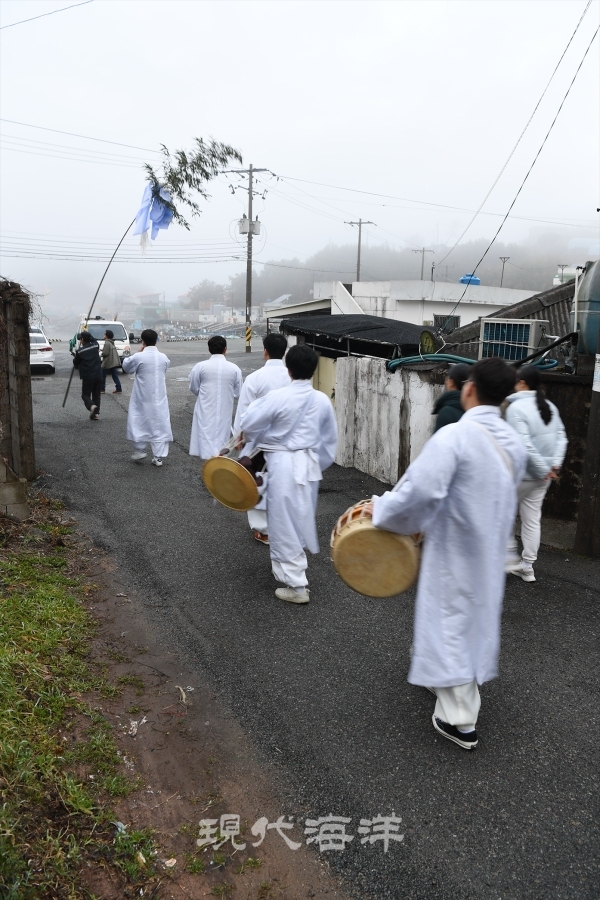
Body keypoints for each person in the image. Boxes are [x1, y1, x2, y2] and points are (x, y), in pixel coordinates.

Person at [370, 358, 527, 750]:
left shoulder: (455, 437)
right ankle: (446, 683)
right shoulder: (513, 443)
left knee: (450, 621)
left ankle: (460, 722)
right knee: (471, 620)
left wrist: (384, 511)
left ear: (469, 388)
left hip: (455, 547)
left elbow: (420, 492)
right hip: (489, 548)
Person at [240, 344, 338, 604]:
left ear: (288, 368)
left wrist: (260, 438)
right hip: (308, 465)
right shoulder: (321, 400)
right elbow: (329, 442)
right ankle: (288, 574)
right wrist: (318, 464)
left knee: (283, 523)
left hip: (282, 464)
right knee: (298, 517)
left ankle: (296, 585)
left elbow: (248, 423)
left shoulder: (278, 397)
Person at [504, 364, 567, 583]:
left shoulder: (515, 409)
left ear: (522, 383)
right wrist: (553, 467)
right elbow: (562, 438)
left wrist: (544, 469)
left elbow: (524, 446)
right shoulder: (549, 406)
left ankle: (509, 557)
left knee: (504, 513)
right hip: (543, 477)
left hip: (522, 475)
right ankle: (527, 566)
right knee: (532, 520)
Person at [233, 333, 291, 544]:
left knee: (257, 482)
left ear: (265, 351)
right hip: (287, 440)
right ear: (284, 351)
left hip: (259, 441)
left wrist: (239, 435)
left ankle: (263, 530)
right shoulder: (293, 376)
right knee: (282, 482)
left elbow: (244, 412)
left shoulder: (255, 378)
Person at [121, 329, 172, 467]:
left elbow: (126, 367)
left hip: (142, 396)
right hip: (159, 396)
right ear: (156, 340)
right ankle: (158, 456)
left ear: (142, 341)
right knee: (159, 423)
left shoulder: (139, 356)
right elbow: (165, 368)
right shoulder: (163, 357)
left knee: (139, 420)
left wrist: (134, 352)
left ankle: (139, 450)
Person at [189, 336, 243, 459]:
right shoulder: (235, 369)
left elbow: (193, 386)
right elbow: (237, 391)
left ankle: (209, 464)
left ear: (209, 349)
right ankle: (218, 465)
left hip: (205, 407)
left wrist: (204, 394)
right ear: (225, 349)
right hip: (225, 408)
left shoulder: (200, 366)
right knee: (222, 437)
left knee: (205, 434)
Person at [72, 330, 103, 420]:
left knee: (85, 395)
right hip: (98, 374)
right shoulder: (95, 345)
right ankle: (95, 414)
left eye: (81, 339)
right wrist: (87, 334)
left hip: (88, 376)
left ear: (82, 339)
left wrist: (75, 358)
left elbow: (76, 363)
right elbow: (93, 339)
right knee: (96, 395)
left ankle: (92, 406)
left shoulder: (80, 351)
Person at [432, 363, 471, 431]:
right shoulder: (474, 409)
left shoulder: (447, 413)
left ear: (451, 382)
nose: (445, 381)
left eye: (447, 378)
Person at [101, 329, 122, 394]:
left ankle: (102, 389)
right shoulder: (111, 342)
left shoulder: (107, 343)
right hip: (112, 362)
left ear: (107, 336)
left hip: (107, 362)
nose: (103, 335)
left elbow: (105, 353)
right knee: (114, 375)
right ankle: (118, 388)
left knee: (102, 375)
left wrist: (102, 353)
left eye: (104, 334)